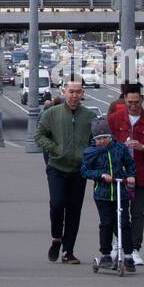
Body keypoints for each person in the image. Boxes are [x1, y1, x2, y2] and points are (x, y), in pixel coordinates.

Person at [35, 79, 96, 264]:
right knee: (57, 203)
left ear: (83, 93)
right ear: (64, 91)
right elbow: (39, 135)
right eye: (71, 91)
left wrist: (89, 155)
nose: (74, 95)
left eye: (78, 92)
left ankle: (68, 251)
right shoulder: (52, 113)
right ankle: (56, 237)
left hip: (79, 170)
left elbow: (95, 140)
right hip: (57, 167)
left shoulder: (89, 116)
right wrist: (55, 149)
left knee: (74, 211)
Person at [107, 84, 144, 265]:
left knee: (137, 213)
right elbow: (104, 144)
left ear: (142, 100)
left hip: (140, 174)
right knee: (117, 211)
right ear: (124, 100)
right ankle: (118, 244)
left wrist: (142, 147)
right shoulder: (114, 119)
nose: (133, 105)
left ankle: (134, 249)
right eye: (129, 102)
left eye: (136, 102)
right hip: (118, 174)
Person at [81, 117, 137, 272]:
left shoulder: (120, 148)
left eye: (105, 138)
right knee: (106, 223)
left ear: (110, 136)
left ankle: (128, 255)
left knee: (124, 223)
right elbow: (85, 171)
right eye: (99, 139)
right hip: (103, 194)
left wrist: (131, 175)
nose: (102, 141)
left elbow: (130, 164)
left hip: (121, 191)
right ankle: (105, 253)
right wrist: (100, 175)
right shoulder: (91, 152)